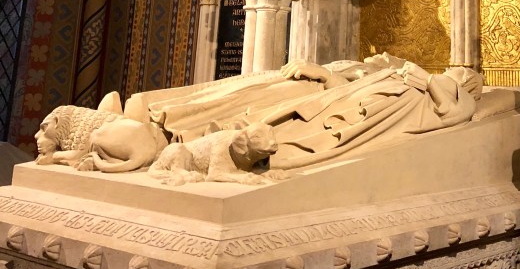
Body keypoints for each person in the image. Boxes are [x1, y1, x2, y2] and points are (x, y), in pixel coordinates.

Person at [139, 54, 500, 169]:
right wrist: (328, 75)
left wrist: (429, 81)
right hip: (345, 100)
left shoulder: (455, 91)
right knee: (279, 102)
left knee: (294, 125)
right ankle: (181, 131)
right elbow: (348, 89)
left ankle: (207, 144)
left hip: (362, 113)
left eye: (462, 72)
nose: (456, 70)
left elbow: (453, 114)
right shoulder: (392, 72)